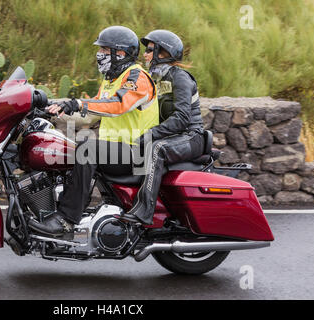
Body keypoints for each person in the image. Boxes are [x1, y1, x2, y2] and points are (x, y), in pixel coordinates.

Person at [28, 26, 159, 237]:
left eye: (106, 50)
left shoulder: (137, 78)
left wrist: (79, 103)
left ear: (121, 53)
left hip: (139, 152)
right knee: (68, 148)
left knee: (88, 149)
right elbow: (90, 115)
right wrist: (52, 110)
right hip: (116, 151)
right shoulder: (112, 80)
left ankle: (66, 220)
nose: (100, 55)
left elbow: (117, 105)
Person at [119, 29, 205, 225]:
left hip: (190, 136)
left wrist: (150, 134)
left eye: (150, 50)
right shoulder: (154, 78)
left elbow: (182, 118)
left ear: (163, 53)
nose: (145, 54)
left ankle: (144, 212)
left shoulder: (180, 77)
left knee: (157, 149)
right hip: (173, 136)